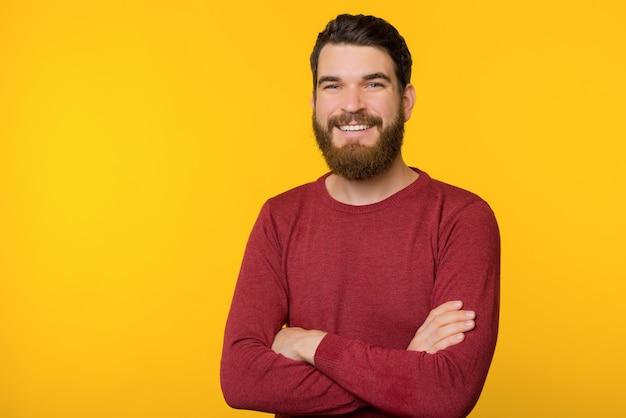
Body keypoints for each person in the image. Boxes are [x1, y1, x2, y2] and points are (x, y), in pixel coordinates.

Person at [221, 13, 500, 418]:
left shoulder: (461, 219)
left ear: (405, 102)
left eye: (373, 84)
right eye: (333, 86)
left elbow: (446, 393)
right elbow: (241, 379)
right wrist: (404, 368)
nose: (352, 105)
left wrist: (311, 344)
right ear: (315, 103)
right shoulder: (280, 218)